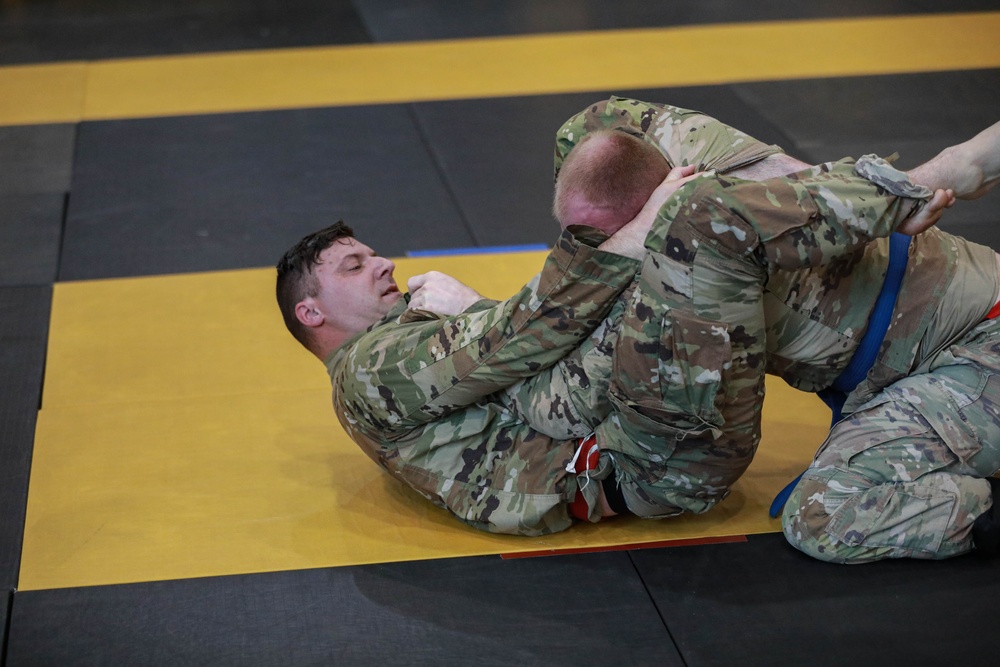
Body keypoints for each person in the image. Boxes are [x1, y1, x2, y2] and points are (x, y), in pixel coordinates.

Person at [276, 117, 965, 537]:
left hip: (614, 413)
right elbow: (520, 341)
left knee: (600, 132)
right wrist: (634, 232)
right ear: (313, 312)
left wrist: (477, 308)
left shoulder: (400, 353)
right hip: (650, 459)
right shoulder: (370, 372)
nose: (383, 263)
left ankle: (805, 185)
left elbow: (516, 363)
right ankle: (892, 198)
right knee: (690, 229)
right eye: (354, 264)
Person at [525, 97, 1000, 562]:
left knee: (823, 517)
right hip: (930, 328)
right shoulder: (703, 182)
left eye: (607, 241)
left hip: (977, 351)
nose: (595, 256)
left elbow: (564, 400)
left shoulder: (694, 254)